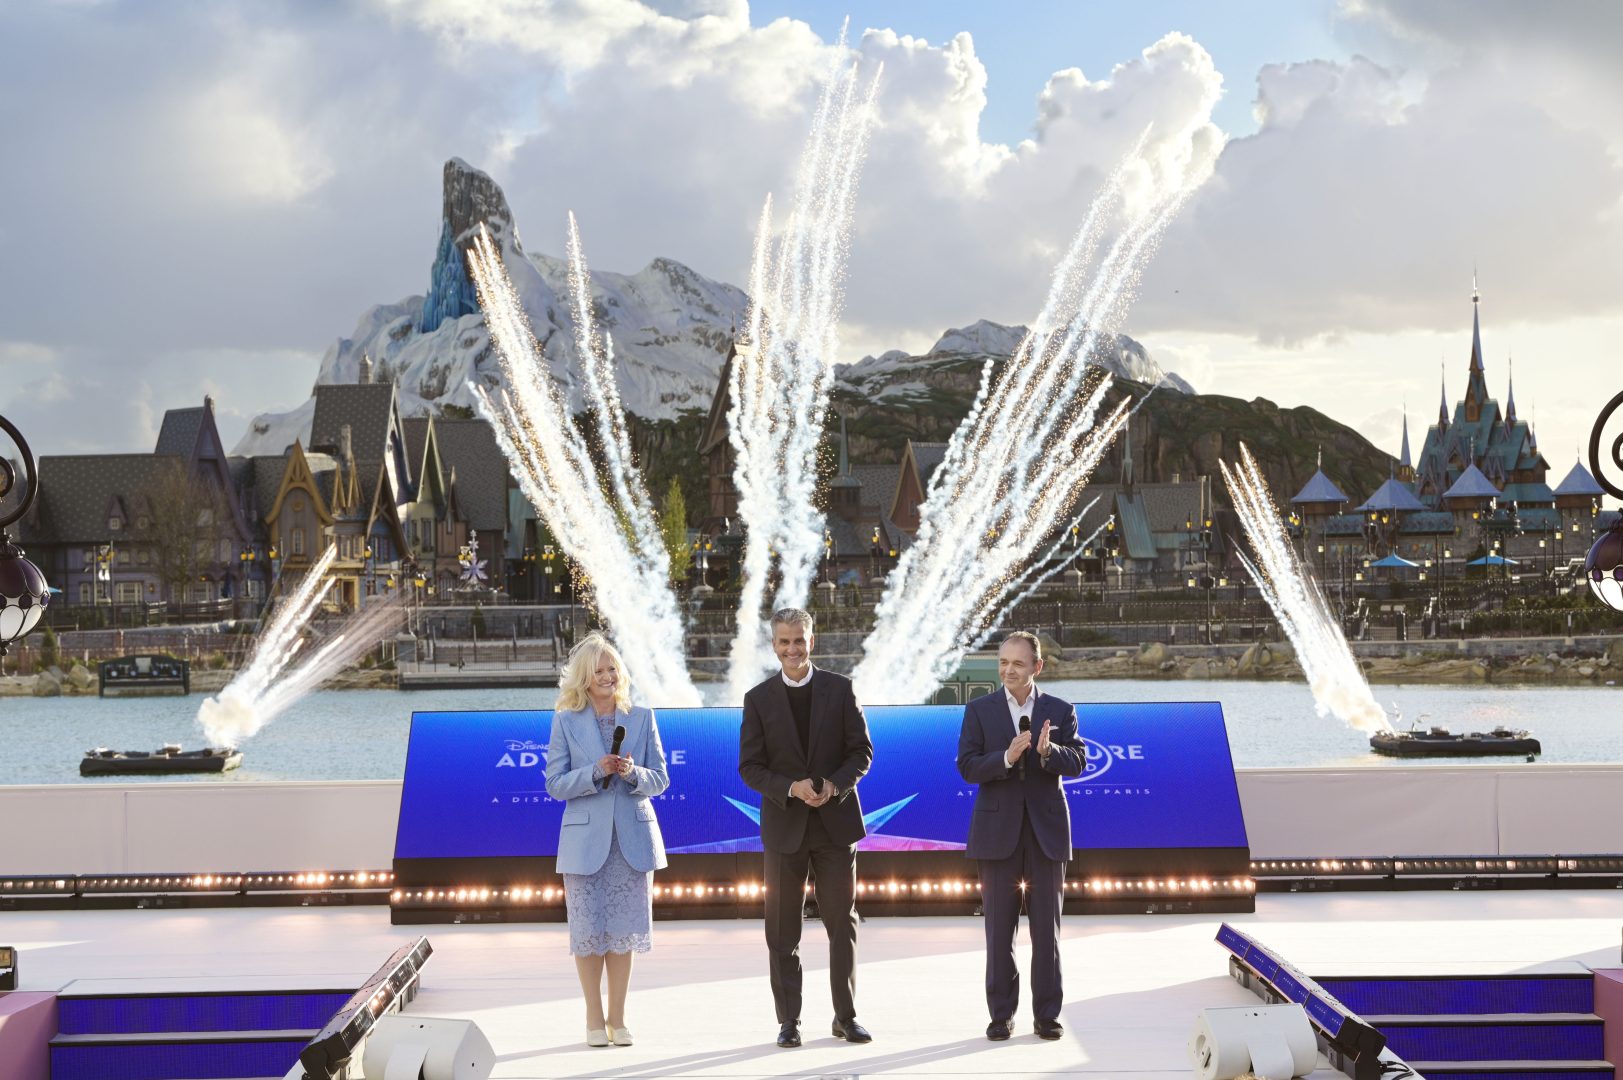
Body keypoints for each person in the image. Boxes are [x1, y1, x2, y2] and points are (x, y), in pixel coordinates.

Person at [739, 607, 874, 1048]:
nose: (792, 649)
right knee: (781, 930)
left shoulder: (841, 690)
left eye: (799, 640)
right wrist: (790, 788)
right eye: (784, 642)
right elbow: (750, 768)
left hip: (835, 827)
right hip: (784, 828)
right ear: (774, 645)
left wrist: (834, 785)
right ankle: (788, 1022)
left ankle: (845, 1016)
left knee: (842, 924)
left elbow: (862, 753)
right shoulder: (757, 699)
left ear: (811, 641)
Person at [956, 630, 1085, 1042]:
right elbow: (967, 766)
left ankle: (1047, 1016)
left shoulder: (1061, 710)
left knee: (1047, 931)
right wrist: (1006, 758)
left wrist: (1049, 753)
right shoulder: (979, 710)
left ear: (1037, 667)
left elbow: (1079, 761)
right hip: (997, 832)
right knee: (999, 930)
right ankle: (1000, 1015)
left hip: (1046, 832)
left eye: (1018, 664)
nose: (1009, 671)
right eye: (1003, 663)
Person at [544, 632, 669, 1048]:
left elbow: (661, 779)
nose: (607, 676)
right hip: (584, 845)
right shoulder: (565, 720)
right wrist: (595, 772)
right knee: (589, 933)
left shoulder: (642, 716)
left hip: (631, 841)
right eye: (598, 670)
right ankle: (593, 1019)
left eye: (612, 668)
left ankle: (618, 1019)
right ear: (583, 677)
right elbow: (555, 785)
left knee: (622, 934)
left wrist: (633, 773)